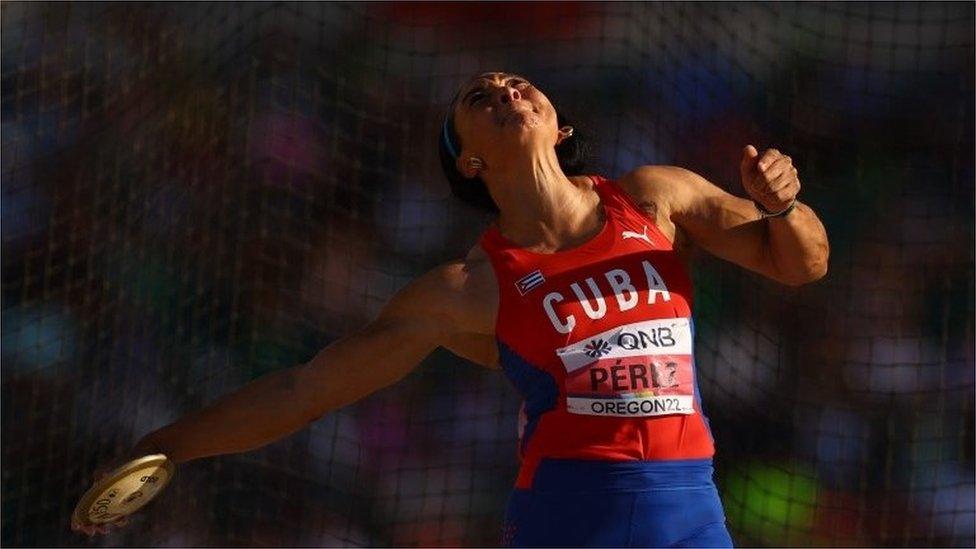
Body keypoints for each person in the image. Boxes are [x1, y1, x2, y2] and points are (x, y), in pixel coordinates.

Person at [73, 71, 829, 546]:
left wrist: (785, 205)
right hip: (567, 515)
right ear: (469, 159)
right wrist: (170, 444)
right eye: (480, 98)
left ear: (561, 126)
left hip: (689, 509)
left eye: (518, 85)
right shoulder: (466, 288)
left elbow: (803, 264)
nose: (506, 92)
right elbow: (306, 390)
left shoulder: (656, 197)